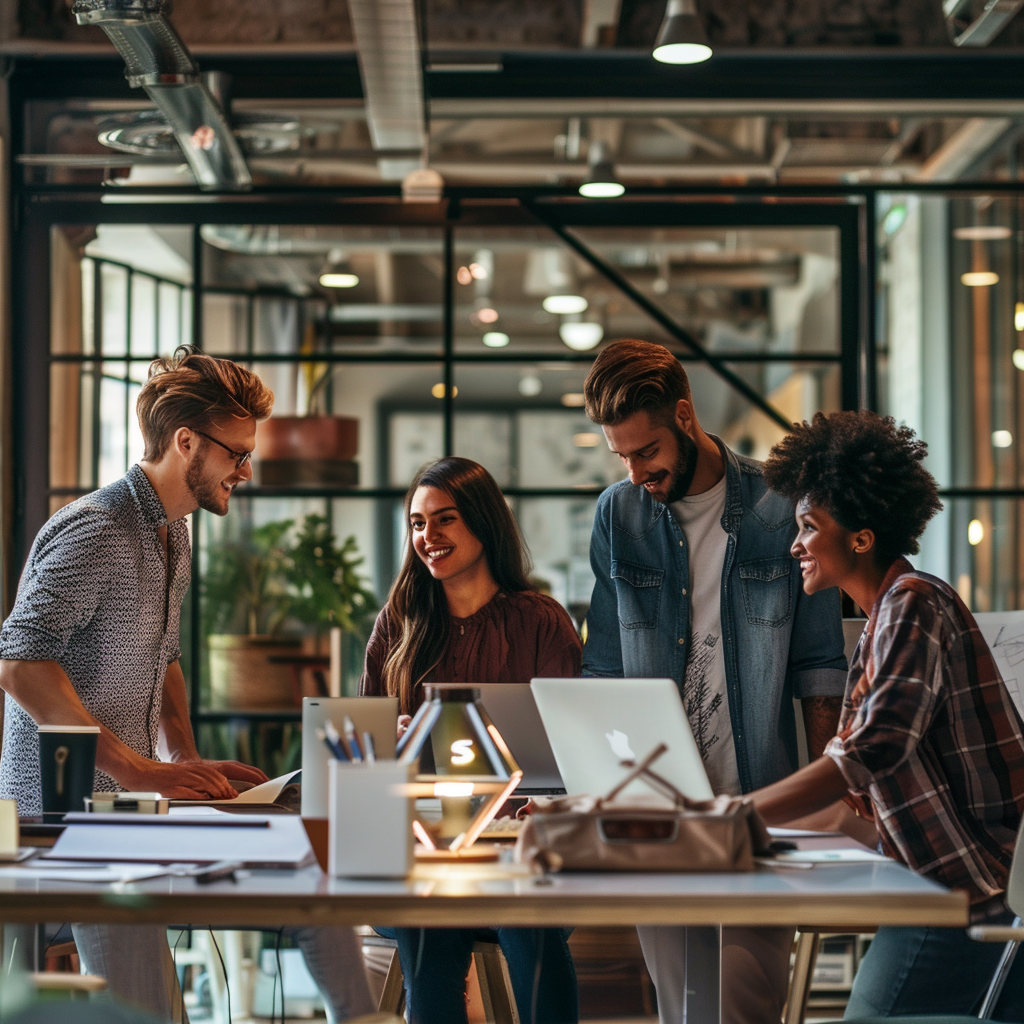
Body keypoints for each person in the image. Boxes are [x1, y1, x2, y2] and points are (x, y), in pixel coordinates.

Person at [0, 346, 374, 1024]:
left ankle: (364, 1018)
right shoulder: (97, 529)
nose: (246, 469)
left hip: (128, 813)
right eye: (236, 453)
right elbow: (20, 662)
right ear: (185, 442)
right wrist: (138, 769)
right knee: (145, 998)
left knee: (303, 853)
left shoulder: (175, 534)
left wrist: (183, 760)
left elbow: (165, 657)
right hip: (61, 821)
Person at [581, 339, 849, 1024]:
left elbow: (820, 667)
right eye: (622, 457)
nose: (637, 470)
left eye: (647, 451)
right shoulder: (618, 517)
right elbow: (606, 666)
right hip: (657, 813)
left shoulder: (781, 505)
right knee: (678, 1010)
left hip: (759, 804)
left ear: (683, 413)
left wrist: (823, 805)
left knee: (744, 1010)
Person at [749, 410, 1024, 1019]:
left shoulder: (914, 603)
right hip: (945, 888)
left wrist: (738, 814)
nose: (795, 544)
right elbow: (866, 792)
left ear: (861, 537)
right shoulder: (885, 619)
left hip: (964, 897)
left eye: (808, 526)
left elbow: (873, 749)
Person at [361, 456, 580, 1024]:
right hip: (424, 850)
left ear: (483, 522)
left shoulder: (541, 621)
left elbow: (572, 751)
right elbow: (364, 760)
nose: (427, 537)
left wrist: (551, 806)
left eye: (445, 520)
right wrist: (394, 746)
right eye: (416, 523)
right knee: (425, 913)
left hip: (519, 853)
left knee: (524, 910)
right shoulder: (398, 624)